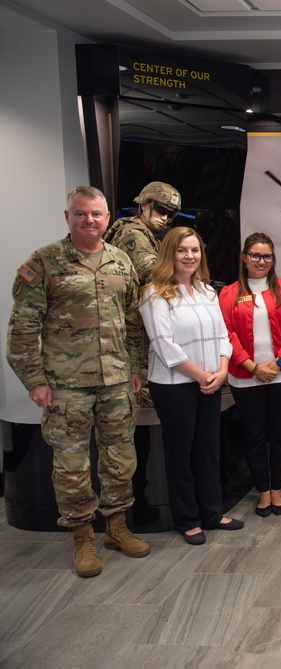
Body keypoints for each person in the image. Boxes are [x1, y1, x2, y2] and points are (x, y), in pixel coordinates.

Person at [6, 185, 149, 578]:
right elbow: (22, 328)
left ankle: (117, 527)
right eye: (81, 213)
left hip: (117, 381)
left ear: (107, 218)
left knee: (121, 460)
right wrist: (34, 380)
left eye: (97, 214)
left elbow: (134, 321)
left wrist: (137, 368)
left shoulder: (121, 261)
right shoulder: (46, 262)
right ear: (67, 217)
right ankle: (82, 535)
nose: (90, 220)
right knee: (71, 465)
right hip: (66, 384)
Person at [139, 226, 243, 545]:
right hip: (175, 385)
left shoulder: (208, 291)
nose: (189, 256)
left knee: (208, 450)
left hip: (212, 381)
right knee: (180, 453)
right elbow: (163, 344)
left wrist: (222, 370)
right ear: (169, 253)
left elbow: (224, 337)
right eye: (182, 250)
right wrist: (201, 376)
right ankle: (187, 519)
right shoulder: (154, 293)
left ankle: (212, 513)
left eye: (195, 250)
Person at [220, 232, 281, 517]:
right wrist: (252, 367)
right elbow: (227, 334)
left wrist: (277, 365)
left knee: (280, 434)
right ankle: (262, 491)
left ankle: (277, 489)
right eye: (255, 255)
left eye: (267, 256)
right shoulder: (228, 293)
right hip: (246, 376)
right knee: (254, 435)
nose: (261, 261)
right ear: (244, 258)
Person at [104, 181, 181, 406]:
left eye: (171, 214)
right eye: (161, 210)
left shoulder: (143, 233)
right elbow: (153, 277)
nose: (165, 218)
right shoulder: (134, 234)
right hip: (133, 331)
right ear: (144, 205)